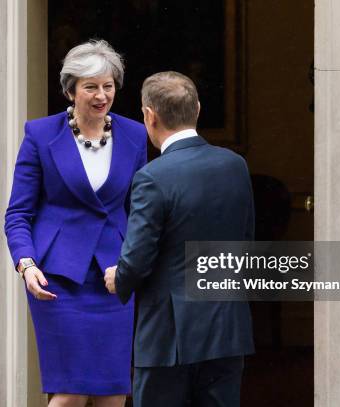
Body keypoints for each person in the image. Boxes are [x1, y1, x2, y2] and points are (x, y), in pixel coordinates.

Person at [5, 40, 147, 407]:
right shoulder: (41, 135)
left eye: (108, 86)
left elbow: (140, 211)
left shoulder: (133, 135)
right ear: (71, 90)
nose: (102, 95)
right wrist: (26, 263)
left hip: (113, 277)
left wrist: (132, 263)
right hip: (58, 278)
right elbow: (18, 212)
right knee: (69, 394)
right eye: (91, 87)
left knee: (113, 394)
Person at [104, 71, 255, 407]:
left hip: (168, 338)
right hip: (227, 329)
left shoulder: (152, 177)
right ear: (197, 109)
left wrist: (120, 278)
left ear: (149, 116)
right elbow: (246, 241)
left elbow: (139, 255)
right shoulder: (236, 166)